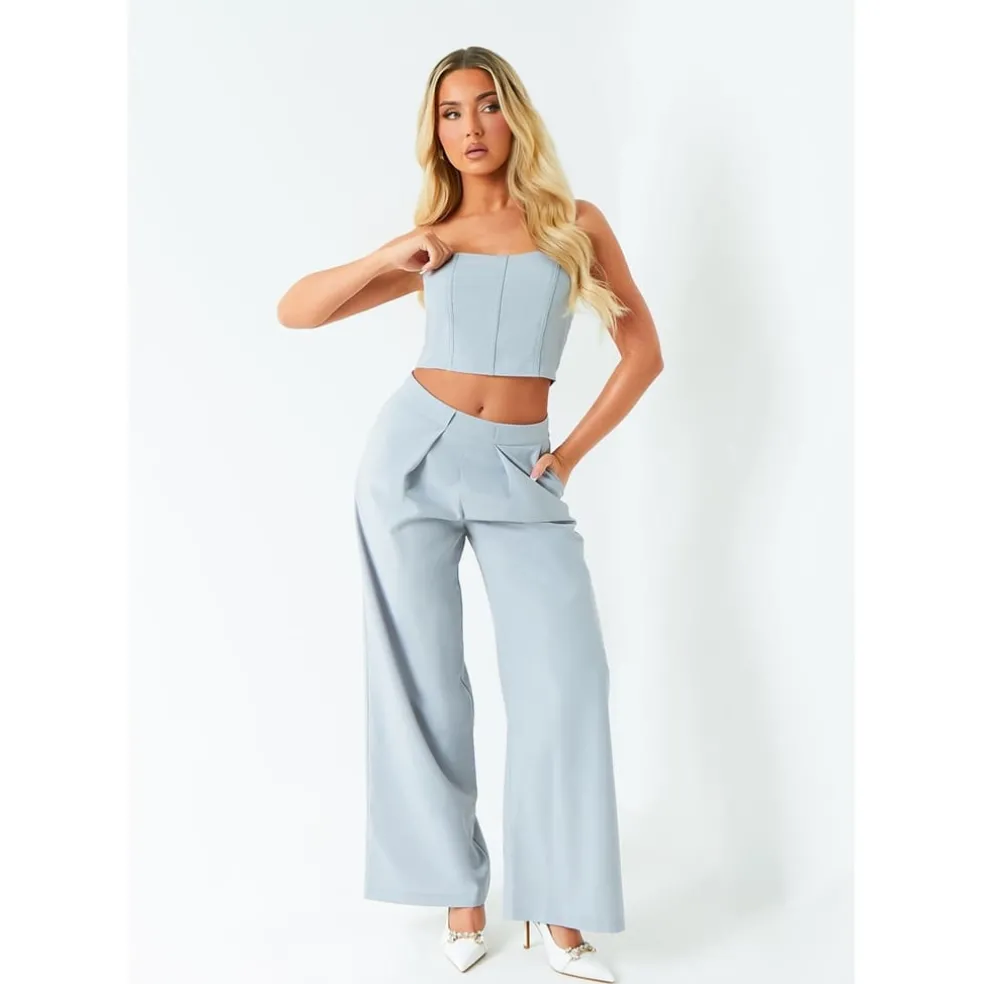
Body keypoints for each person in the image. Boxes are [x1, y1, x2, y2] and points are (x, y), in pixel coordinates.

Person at [277, 45, 663, 982]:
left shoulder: (574, 224)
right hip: (411, 457)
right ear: (436, 134)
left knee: (565, 681)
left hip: (519, 468)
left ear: (514, 115)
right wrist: (391, 253)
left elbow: (643, 353)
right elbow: (297, 312)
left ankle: (561, 911)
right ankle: (460, 897)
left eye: (486, 105)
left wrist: (568, 456)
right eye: (451, 113)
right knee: (422, 680)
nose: (471, 126)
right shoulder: (434, 240)